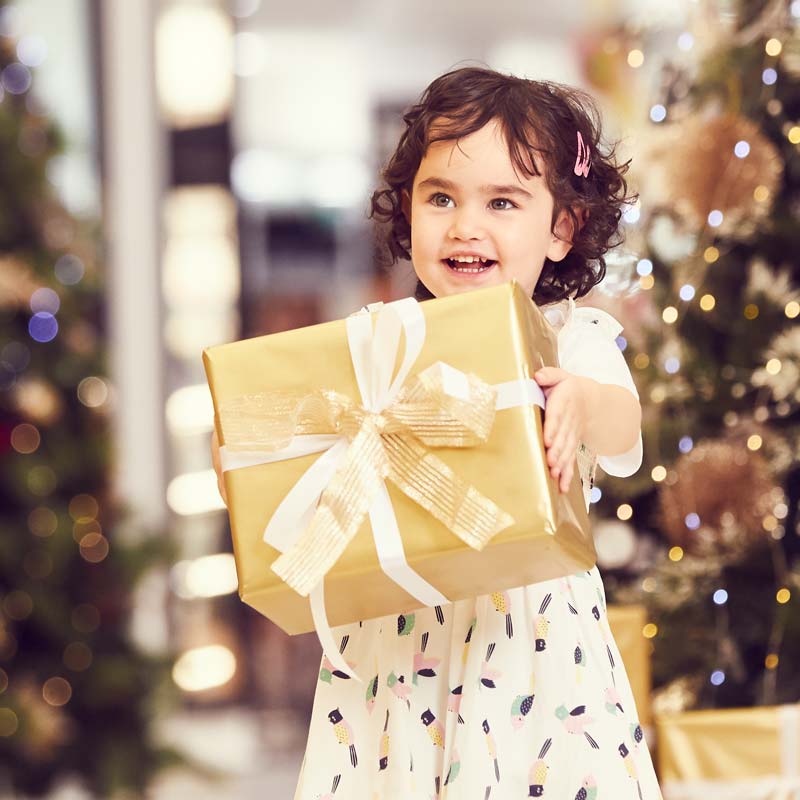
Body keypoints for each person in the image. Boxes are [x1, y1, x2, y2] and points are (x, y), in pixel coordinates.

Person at [212, 66, 662, 798]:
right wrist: (252, 452)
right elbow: (290, 440)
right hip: (395, 640)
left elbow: (623, 424)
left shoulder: (567, 337)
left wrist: (580, 400)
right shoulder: (379, 341)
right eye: (441, 197)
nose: (465, 225)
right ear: (408, 211)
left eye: (502, 202)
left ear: (560, 229)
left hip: (530, 645)